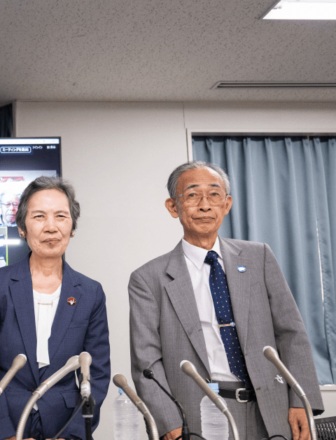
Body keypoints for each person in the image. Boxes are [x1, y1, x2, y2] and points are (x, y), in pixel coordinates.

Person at [129, 161, 323, 440]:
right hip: (198, 416)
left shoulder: (259, 257)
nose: (205, 205)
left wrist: (301, 401)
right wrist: (169, 422)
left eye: (214, 195)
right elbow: (146, 361)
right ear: (173, 207)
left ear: (227, 204)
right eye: (193, 195)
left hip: (271, 409)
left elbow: (291, 333)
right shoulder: (148, 278)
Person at [0, 176, 110, 440]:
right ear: (22, 228)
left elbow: (97, 373)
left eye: (61, 216)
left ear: (72, 227)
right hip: (0, 420)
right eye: (39, 217)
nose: (51, 227)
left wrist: (71, 436)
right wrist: (5, 434)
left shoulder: (90, 292)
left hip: (64, 424)